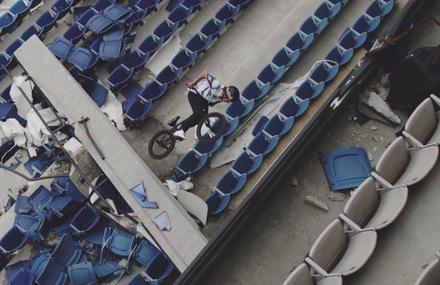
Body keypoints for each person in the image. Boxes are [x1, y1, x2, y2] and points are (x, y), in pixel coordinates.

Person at [173, 70, 240, 140]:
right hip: (194, 93)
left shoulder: (222, 98)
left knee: (202, 117)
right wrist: (193, 83)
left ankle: (180, 128)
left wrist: (211, 103)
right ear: (226, 95)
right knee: (198, 113)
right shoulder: (216, 85)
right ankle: (181, 129)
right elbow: (205, 73)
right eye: (229, 101)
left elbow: (212, 102)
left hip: (203, 99)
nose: (228, 102)